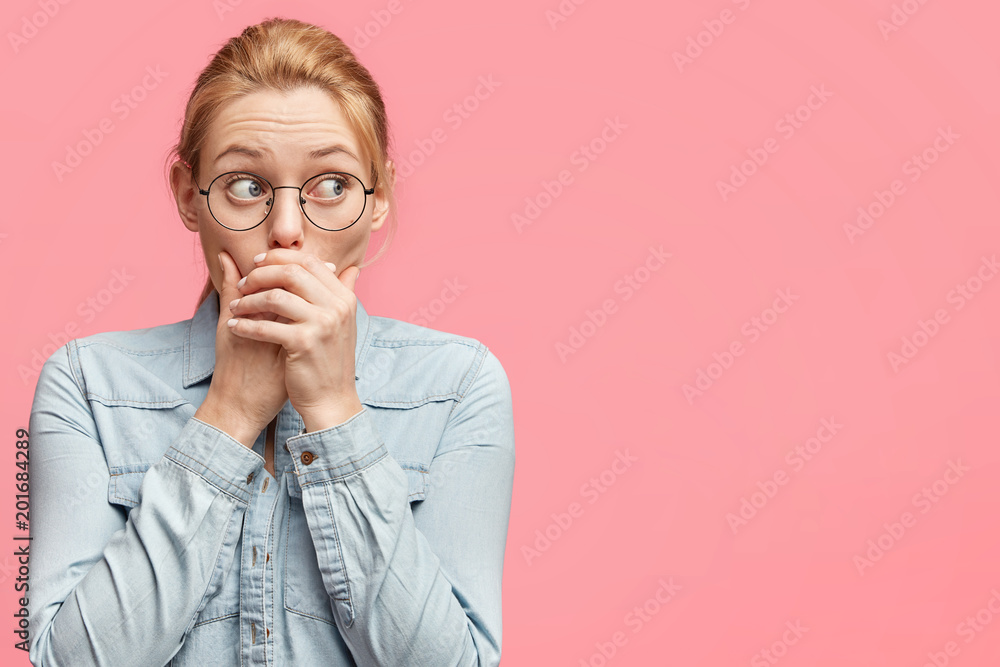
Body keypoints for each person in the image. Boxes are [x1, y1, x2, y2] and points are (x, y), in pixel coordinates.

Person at [27, 17, 515, 667]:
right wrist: (227, 416)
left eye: (332, 185)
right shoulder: (88, 385)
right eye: (247, 186)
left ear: (379, 200)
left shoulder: (458, 386)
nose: (286, 229)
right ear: (188, 196)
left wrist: (337, 414)